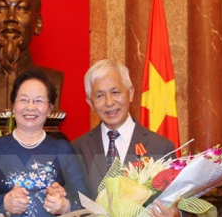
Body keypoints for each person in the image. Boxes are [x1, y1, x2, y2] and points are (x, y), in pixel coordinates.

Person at [71, 59, 181, 217]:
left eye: (115, 92)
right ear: (90, 102)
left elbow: (179, 206)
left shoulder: (161, 148)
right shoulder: (76, 149)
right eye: (100, 95)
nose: (109, 102)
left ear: (130, 93)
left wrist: (176, 215)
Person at [0, 69, 88, 216]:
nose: (30, 107)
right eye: (23, 99)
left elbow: (85, 200)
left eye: (38, 101)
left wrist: (65, 206)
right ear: (13, 106)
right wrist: (4, 203)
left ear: (50, 109)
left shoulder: (62, 149)